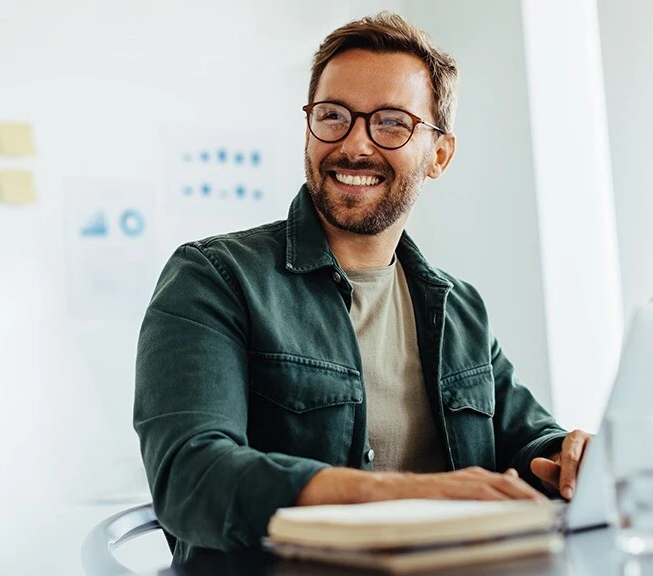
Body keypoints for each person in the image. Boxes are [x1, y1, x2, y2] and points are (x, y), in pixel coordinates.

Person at [134, 11, 591, 563]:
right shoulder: (214, 277)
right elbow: (192, 478)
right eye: (333, 116)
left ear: (439, 155)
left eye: (392, 123)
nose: (355, 145)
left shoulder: (458, 307)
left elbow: (529, 439)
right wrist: (401, 494)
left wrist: (569, 455)